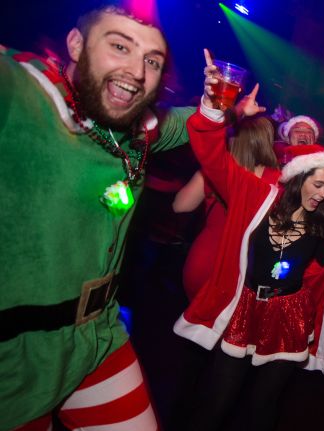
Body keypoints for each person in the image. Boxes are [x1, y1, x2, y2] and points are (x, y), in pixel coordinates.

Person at [0, 5, 194, 430]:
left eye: (152, 61)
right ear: (75, 44)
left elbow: (186, 123)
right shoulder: (23, 94)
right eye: (119, 46)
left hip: (98, 338)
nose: (136, 71)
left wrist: (224, 109)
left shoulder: (136, 129)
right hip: (15, 361)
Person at [173, 50, 324, 431]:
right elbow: (211, 157)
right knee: (216, 402)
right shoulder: (256, 194)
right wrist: (218, 107)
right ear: (298, 177)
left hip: (287, 317)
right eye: (318, 184)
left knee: (263, 409)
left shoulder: (318, 223)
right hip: (243, 307)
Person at [174, 116, 280, 300]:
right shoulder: (278, 180)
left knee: (196, 326)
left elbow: (179, 205)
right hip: (245, 270)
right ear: (266, 142)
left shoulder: (214, 173)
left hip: (204, 263)